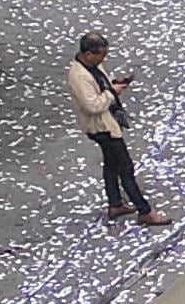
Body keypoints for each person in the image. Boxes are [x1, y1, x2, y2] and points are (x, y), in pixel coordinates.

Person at [67, 34, 171, 225]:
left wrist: (113, 85)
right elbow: (93, 105)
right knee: (125, 168)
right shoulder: (79, 76)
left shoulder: (93, 67)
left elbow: (102, 86)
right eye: (101, 55)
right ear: (88, 54)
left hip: (107, 123)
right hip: (102, 128)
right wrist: (112, 92)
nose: (103, 59)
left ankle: (115, 203)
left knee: (111, 164)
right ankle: (144, 210)